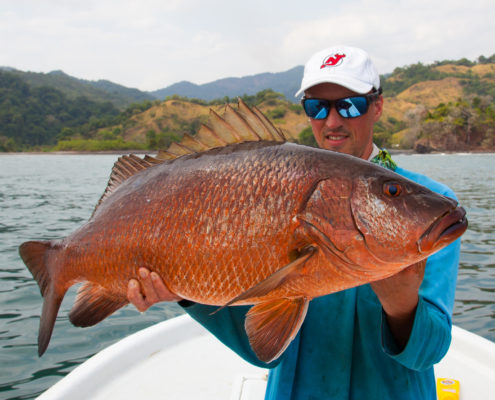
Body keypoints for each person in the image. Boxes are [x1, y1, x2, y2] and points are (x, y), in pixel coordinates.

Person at [127, 45, 461, 399]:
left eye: (350, 105)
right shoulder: (268, 187)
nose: (333, 121)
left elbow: (429, 353)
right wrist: (187, 295)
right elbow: (264, 350)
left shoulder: (427, 208)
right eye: (317, 107)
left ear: (377, 107)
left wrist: (402, 305)